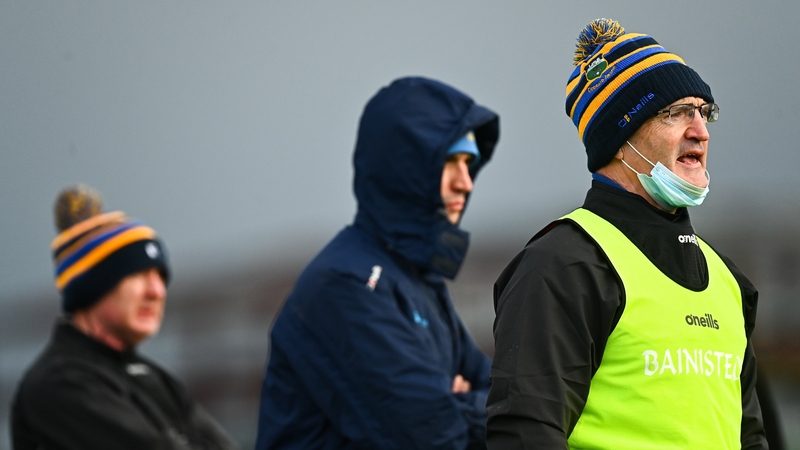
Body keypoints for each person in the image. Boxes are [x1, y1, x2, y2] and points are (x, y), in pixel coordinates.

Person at [486, 19, 768, 449]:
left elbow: (750, 436)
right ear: (620, 139)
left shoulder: (728, 280)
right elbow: (526, 431)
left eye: (704, 111)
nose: (701, 131)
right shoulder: (563, 263)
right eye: (675, 112)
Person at [255, 76, 500, 449]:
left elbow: (504, 393)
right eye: (450, 161)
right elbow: (434, 437)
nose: (466, 183)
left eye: (470, 164)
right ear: (404, 169)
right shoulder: (346, 283)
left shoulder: (415, 277)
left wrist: (458, 403)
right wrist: (460, 406)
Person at [11, 184, 238, 450]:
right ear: (95, 285)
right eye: (138, 274)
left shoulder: (155, 378)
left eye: (161, 277)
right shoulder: (60, 383)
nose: (157, 291)